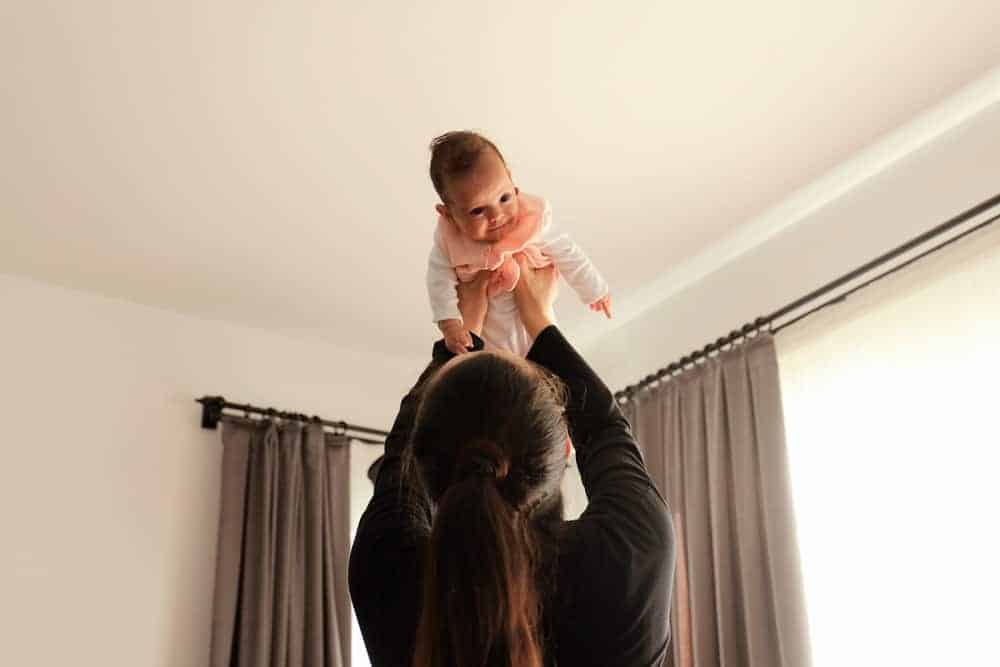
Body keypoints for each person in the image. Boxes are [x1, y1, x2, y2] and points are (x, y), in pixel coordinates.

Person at [349, 254, 676, 666]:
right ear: (564, 448)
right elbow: (605, 428)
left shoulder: (386, 569)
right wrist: (538, 318)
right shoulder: (629, 554)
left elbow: (603, 427)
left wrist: (462, 334)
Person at [426, 130, 613, 356]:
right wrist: (450, 324)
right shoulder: (449, 243)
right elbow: (438, 282)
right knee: (497, 370)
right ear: (448, 214)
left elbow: (566, 251)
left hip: (536, 331)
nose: (496, 215)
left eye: (504, 198)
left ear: (514, 186)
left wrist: (594, 289)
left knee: (549, 365)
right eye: (477, 211)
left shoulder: (531, 219)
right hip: (490, 340)